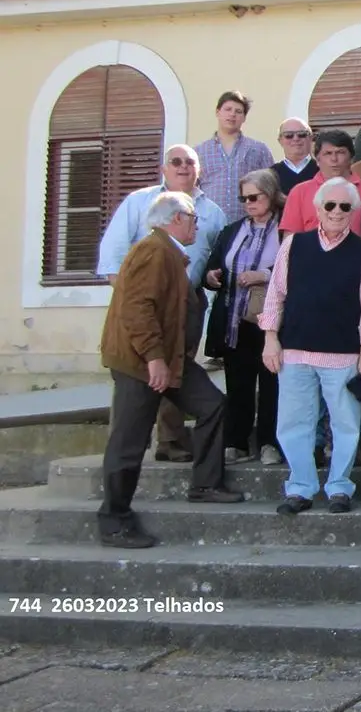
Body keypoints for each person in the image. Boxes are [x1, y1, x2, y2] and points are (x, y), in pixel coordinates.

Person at [97, 192, 245, 548]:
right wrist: (153, 358)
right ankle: (114, 519)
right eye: (193, 218)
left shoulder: (169, 252)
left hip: (171, 358)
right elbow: (137, 309)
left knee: (212, 405)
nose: (197, 225)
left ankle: (206, 484)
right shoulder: (153, 251)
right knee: (129, 442)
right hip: (141, 363)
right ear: (176, 219)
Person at [97, 144, 227, 463]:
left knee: (179, 375)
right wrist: (132, 298)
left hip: (189, 301)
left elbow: (215, 254)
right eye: (176, 162)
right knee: (136, 400)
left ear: (200, 169)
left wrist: (208, 279)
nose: (183, 167)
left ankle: (172, 441)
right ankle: (123, 470)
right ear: (164, 169)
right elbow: (113, 260)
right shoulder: (140, 206)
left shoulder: (214, 211)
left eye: (190, 162)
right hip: (146, 314)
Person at [260, 177, 361, 516]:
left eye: (345, 206)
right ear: (318, 209)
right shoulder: (294, 245)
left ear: (354, 211)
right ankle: (300, 487)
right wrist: (270, 338)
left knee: (345, 424)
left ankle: (339, 487)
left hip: (343, 353)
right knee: (293, 423)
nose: (338, 212)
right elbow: (275, 295)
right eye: (331, 205)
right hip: (294, 350)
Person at [203, 170, 283, 467]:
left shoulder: (286, 229)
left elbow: (296, 270)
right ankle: (236, 442)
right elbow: (213, 266)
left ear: (271, 195)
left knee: (272, 385)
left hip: (270, 320)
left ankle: (269, 444)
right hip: (235, 321)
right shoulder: (232, 230)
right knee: (238, 384)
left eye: (254, 197)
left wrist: (263, 276)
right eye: (243, 198)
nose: (248, 203)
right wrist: (212, 275)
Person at [196, 90, 274, 226]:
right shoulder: (199, 152)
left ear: (244, 118)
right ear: (217, 112)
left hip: (249, 225)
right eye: (228, 109)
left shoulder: (259, 149)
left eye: (238, 111)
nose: (232, 114)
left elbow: (271, 188)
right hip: (209, 225)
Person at [282, 131, 361, 237]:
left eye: (340, 152)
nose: (334, 159)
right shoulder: (299, 192)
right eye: (328, 153)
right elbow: (290, 240)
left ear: (351, 157)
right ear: (317, 160)